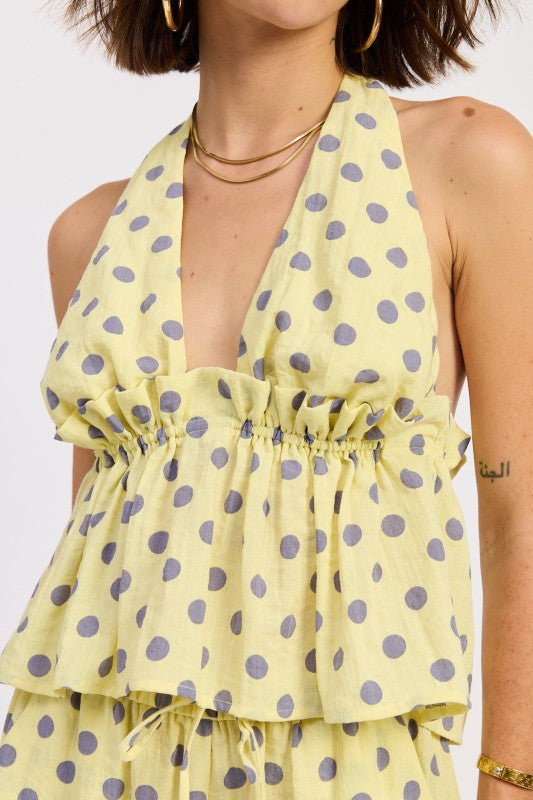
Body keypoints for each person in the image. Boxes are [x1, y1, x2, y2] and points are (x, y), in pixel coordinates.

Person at [0, 0, 531, 797]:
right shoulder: (91, 236)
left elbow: (518, 516)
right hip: (91, 763)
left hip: (344, 768)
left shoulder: (466, 160)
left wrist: (511, 778)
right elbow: (105, 576)